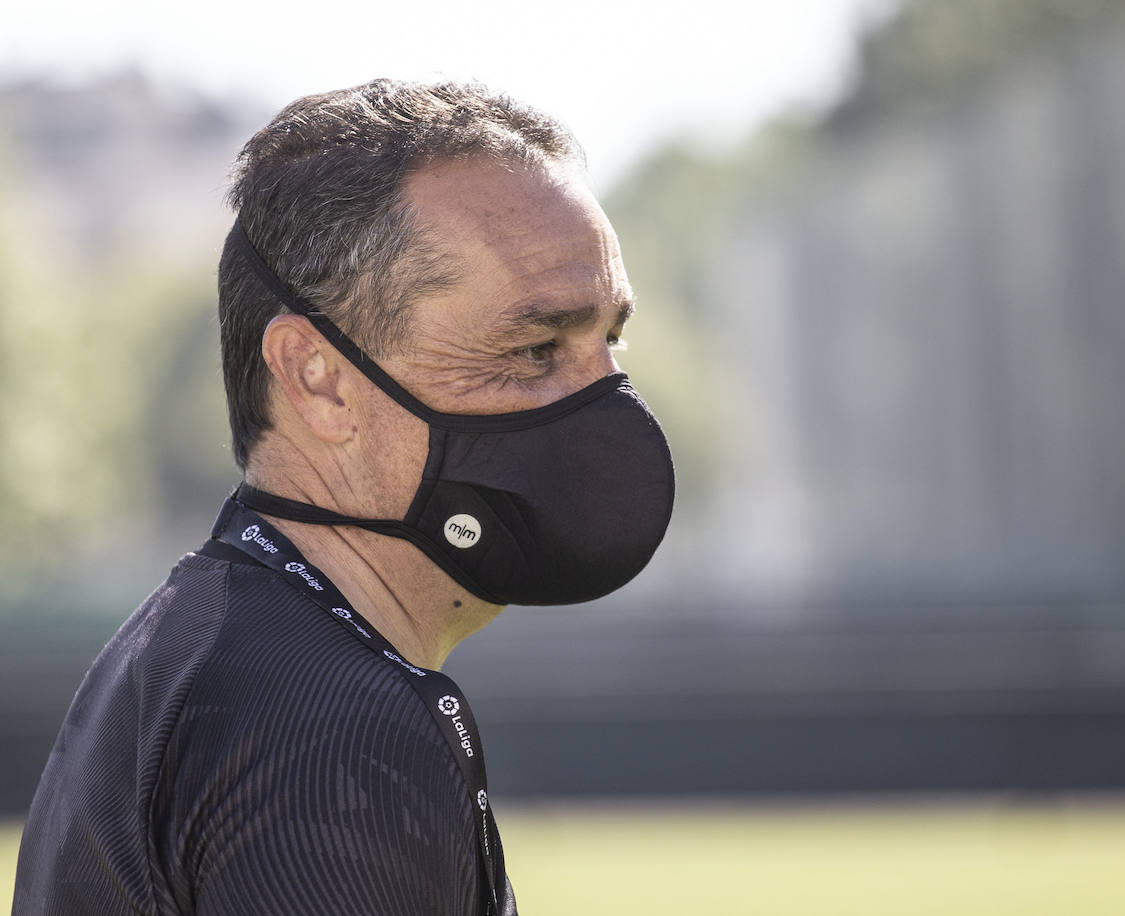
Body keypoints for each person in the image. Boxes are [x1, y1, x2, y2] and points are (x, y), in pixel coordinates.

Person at [12, 79, 675, 916]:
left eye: (608, 340)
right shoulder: (331, 733)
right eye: (537, 347)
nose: (605, 400)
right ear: (318, 380)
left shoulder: (208, 644)